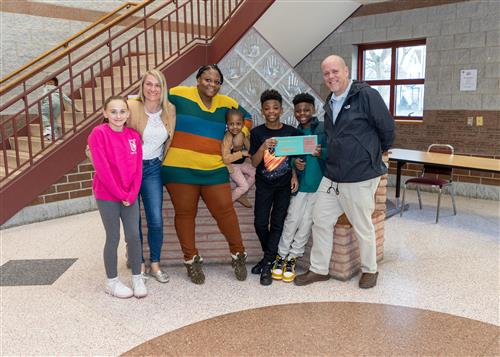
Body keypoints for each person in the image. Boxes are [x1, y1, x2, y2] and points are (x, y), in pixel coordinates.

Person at [295, 55, 395, 289]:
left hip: (359, 175)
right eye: (326, 73)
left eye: (335, 71)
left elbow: (387, 129)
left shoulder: (366, 95)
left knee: (362, 225)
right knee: (320, 220)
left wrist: (374, 154)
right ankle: (319, 269)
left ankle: (370, 270)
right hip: (332, 176)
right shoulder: (330, 101)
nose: (331, 77)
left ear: (346, 71)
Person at [161, 64, 251, 284]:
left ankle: (238, 255)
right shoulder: (179, 93)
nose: (212, 84)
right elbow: (151, 98)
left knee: (225, 211)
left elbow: (247, 118)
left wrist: (238, 135)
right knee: (185, 214)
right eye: (207, 79)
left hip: (214, 168)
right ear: (198, 79)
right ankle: (191, 261)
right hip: (179, 168)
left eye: (217, 81)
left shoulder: (227, 103)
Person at [88, 95, 146, 299]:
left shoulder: (133, 136)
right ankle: (111, 282)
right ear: (105, 113)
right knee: (113, 236)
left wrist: (131, 193)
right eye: (113, 111)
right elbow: (102, 169)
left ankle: (138, 277)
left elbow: (138, 167)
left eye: (122, 111)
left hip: (129, 195)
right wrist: (121, 194)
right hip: (108, 195)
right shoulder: (98, 133)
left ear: (128, 113)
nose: (118, 115)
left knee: (134, 235)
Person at [127, 69, 176, 283]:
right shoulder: (130, 107)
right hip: (130, 169)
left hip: (153, 168)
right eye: (149, 84)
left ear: (163, 88)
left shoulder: (170, 109)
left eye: (157, 85)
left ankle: (155, 264)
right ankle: (138, 265)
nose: (153, 89)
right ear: (143, 86)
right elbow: (108, 133)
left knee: (155, 219)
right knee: (133, 220)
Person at [271, 93, 325, 283]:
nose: (302, 113)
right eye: (299, 110)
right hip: (300, 186)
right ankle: (281, 256)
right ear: (294, 112)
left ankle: (293, 258)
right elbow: (289, 157)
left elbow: (333, 152)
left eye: (306, 109)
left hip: (319, 186)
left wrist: (321, 152)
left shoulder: (323, 129)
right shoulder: (294, 133)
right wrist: (295, 163)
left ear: (314, 110)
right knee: (292, 219)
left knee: (306, 223)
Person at [249, 89, 299, 286]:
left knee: (277, 223)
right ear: (262, 111)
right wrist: (263, 147)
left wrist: (294, 174)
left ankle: (267, 263)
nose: (271, 111)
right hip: (264, 185)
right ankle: (269, 256)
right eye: (267, 108)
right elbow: (253, 163)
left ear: (281, 110)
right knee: (260, 223)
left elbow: (294, 159)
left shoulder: (291, 132)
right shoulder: (256, 133)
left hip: (284, 185)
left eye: (275, 108)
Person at [222, 108, 256, 208]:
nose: (235, 127)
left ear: (242, 124)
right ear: (227, 125)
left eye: (238, 124)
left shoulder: (243, 134)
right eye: (231, 124)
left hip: (241, 164)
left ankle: (242, 195)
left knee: (256, 173)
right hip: (232, 166)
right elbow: (225, 158)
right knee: (244, 186)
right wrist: (241, 153)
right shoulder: (228, 137)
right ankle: (228, 203)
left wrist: (245, 139)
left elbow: (250, 150)